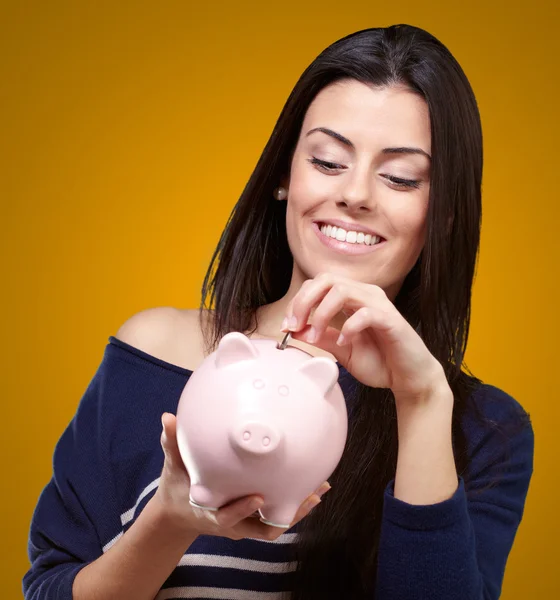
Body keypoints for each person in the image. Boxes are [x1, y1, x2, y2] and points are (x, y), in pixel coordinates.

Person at [23, 23, 534, 600]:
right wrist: (169, 519)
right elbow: (50, 587)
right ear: (283, 178)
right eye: (329, 161)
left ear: (441, 214)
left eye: (400, 177)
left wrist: (419, 403)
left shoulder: (481, 429)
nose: (357, 194)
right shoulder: (152, 351)